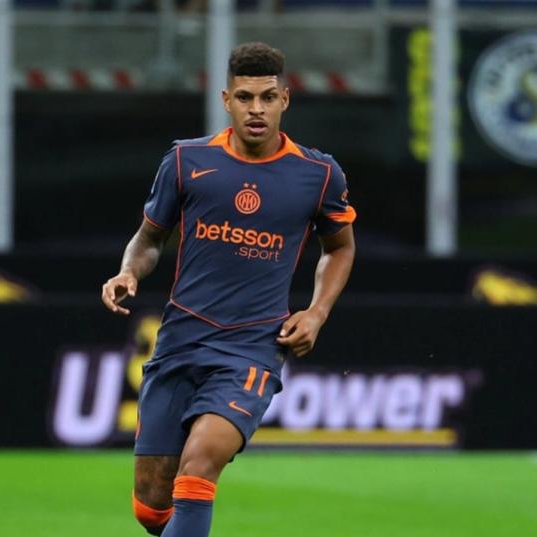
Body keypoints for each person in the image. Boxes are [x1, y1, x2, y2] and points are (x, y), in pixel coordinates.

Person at [101, 41, 356, 537]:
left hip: (251, 349)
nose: (256, 109)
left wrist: (317, 311)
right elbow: (149, 239)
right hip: (179, 341)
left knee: (199, 466)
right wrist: (129, 271)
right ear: (226, 100)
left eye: (267, 97)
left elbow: (340, 248)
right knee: (152, 507)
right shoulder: (185, 161)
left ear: (285, 99)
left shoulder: (318, 174)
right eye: (245, 97)